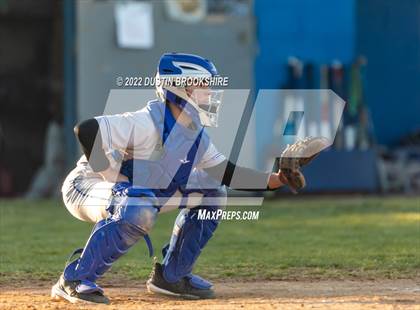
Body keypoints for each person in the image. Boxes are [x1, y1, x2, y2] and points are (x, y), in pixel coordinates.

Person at [51, 53, 292, 304]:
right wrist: (114, 178)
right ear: (179, 87)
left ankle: (171, 277)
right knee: (137, 205)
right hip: (85, 186)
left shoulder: (193, 134)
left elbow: (227, 174)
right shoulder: (145, 122)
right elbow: (87, 130)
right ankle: (75, 279)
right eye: (203, 85)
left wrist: (279, 178)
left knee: (212, 192)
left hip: (134, 193)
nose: (210, 92)